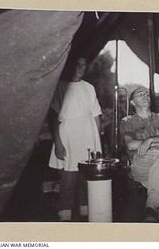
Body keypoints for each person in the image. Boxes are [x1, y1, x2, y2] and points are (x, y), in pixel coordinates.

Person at [48, 57, 102, 221]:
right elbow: (54, 118)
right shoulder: (60, 87)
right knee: (68, 177)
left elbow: (96, 115)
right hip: (67, 136)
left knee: (86, 175)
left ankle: (86, 211)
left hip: (87, 134)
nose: (80, 68)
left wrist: (96, 142)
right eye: (77, 64)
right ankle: (65, 213)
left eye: (83, 65)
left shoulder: (89, 88)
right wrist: (58, 143)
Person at [120, 86, 159, 223]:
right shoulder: (127, 121)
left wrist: (150, 140)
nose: (145, 96)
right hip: (142, 162)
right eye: (140, 94)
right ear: (133, 102)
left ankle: (151, 209)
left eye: (146, 94)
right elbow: (131, 145)